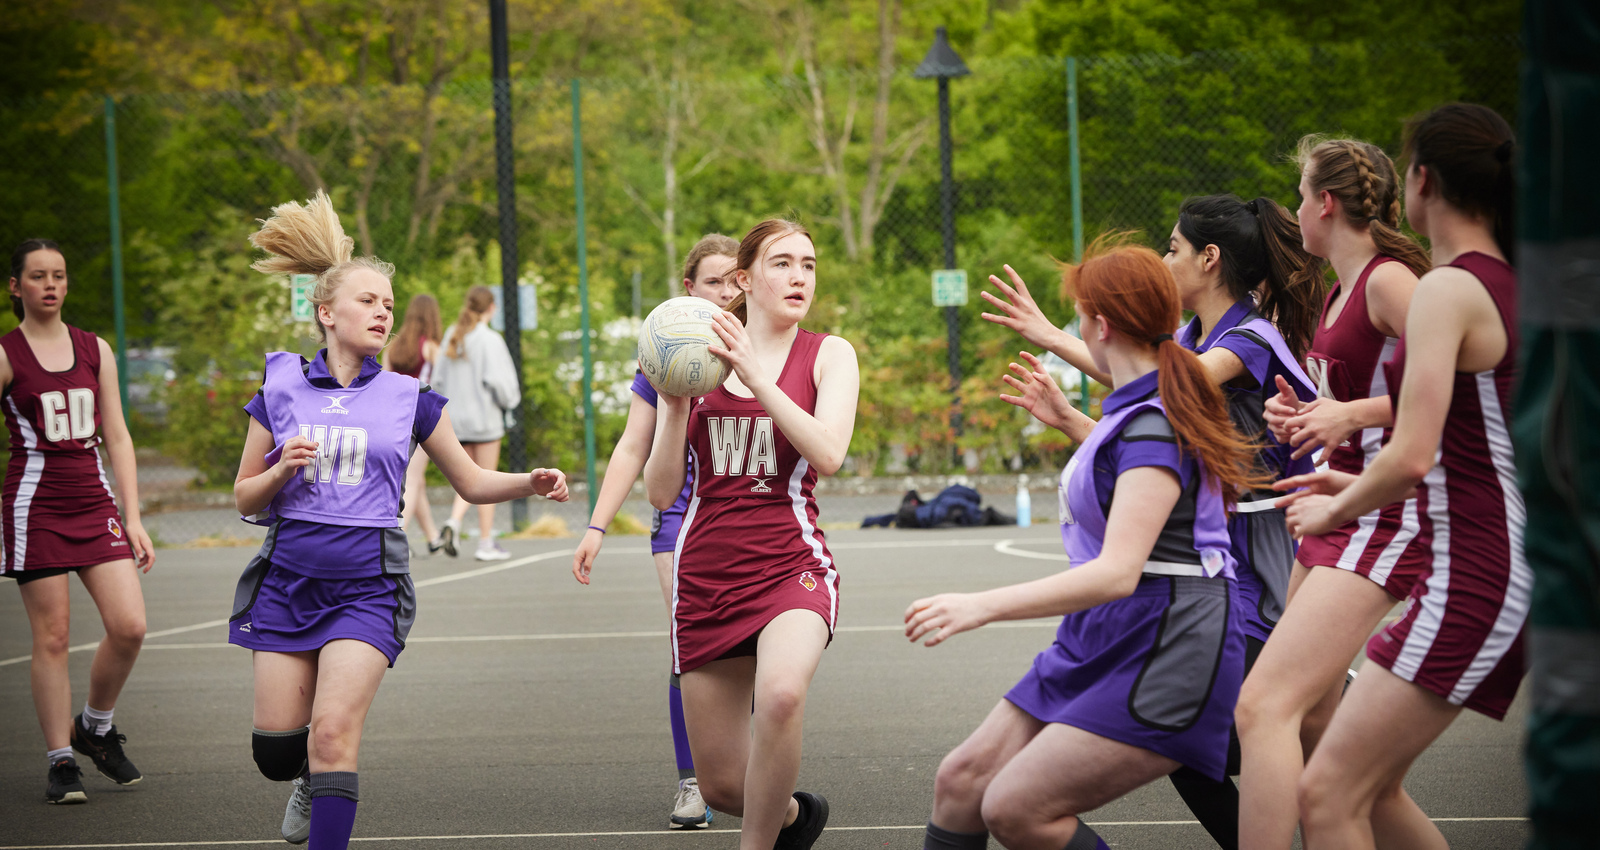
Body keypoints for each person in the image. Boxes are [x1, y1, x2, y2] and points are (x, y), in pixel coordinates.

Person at [981, 194, 1325, 849]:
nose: (1164, 258)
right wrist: (1074, 406)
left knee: (1251, 746)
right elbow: (1150, 434)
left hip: (1270, 557)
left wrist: (1068, 333)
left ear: (1209, 257)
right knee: (1194, 752)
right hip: (1223, 557)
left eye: (1171, 247)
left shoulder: (1248, 338)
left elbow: (1167, 388)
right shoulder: (1195, 336)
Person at [230, 191, 568, 848]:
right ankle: (303, 775)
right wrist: (277, 472)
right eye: (367, 301)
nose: (383, 311)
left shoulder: (410, 397)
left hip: (367, 587)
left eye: (388, 303)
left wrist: (530, 478)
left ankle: (325, 792)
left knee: (332, 734)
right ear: (326, 313)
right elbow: (245, 497)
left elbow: (469, 480)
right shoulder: (279, 389)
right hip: (288, 578)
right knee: (276, 752)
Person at [909, 237, 1262, 850]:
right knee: (962, 781)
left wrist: (980, 605)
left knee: (1017, 807)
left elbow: (1118, 571)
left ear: (1099, 326)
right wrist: (1072, 422)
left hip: (1167, 640)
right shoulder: (1136, 412)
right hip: (1108, 631)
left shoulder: (1155, 418)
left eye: (1078, 313)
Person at [1278, 103, 1528, 849]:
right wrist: (1346, 476)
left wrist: (1339, 504)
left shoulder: (1448, 289)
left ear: (1422, 181)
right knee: (1358, 788)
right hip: (1488, 561)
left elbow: (1413, 452)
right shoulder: (1502, 282)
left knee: (1326, 796)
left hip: (1480, 568)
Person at [1234, 136, 1433, 849]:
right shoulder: (1339, 292)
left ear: (1325, 203)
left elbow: (1460, 389)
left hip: (1378, 512)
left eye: (1299, 196)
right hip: (1334, 504)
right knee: (1324, 739)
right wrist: (1309, 417)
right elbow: (1353, 399)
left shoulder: (1389, 282)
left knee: (1261, 707)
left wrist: (1351, 414)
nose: (1293, 211)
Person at [643, 219, 858, 850]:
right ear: (743, 279)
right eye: (783, 263)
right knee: (722, 788)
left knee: (783, 694)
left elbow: (828, 453)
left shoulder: (828, 353)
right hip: (707, 573)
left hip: (792, 564)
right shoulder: (695, 355)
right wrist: (676, 406)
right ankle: (792, 817)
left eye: (809, 265)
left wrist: (759, 380)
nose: (799, 277)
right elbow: (660, 493)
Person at [571, 233, 739, 829]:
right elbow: (630, 446)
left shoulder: (761, 353)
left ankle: (743, 766)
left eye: (735, 279)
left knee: (752, 655)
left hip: (748, 519)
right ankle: (692, 781)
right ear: (689, 289)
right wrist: (597, 525)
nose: (726, 290)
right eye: (713, 281)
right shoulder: (665, 356)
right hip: (680, 520)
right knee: (687, 646)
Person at [2, 239, 156, 804]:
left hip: (93, 502)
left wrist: (131, 516)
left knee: (130, 625)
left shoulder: (96, 349)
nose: (51, 284)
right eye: (38, 276)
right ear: (16, 286)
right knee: (54, 636)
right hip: (35, 505)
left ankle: (92, 727)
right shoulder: (5, 354)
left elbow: (116, 434)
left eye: (59, 275)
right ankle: (60, 761)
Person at [431, 285, 522, 561]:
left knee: (468, 479)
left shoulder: (452, 334)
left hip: (456, 421)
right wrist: (510, 402)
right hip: (484, 421)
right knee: (487, 479)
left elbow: (437, 380)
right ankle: (485, 542)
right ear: (491, 308)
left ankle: (455, 521)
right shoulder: (489, 340)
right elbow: (501, 383)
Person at [381, 293, 444, 554]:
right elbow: (440, 382)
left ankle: (432, 537)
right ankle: (398, 539)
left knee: (415, 480)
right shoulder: (430, 347)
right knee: (415, 479)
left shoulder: (392, 346)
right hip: (421, 416)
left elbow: (384, 380)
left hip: (394, 415)